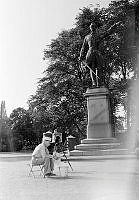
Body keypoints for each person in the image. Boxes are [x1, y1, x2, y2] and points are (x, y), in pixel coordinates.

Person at [79, 21, 121, 87]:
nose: (92, 27)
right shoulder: (87, 37)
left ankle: (99, 83)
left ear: (95, 28)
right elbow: (83, 47)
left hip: (97, 52)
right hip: (90, 53)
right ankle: (94, 83)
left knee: (99, 68)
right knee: (91, 68)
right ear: (90, 28)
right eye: (91, 26)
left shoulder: (99, 35)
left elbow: (107, 32)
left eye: (94, 26)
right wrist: (81, 55)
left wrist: (114, 25)